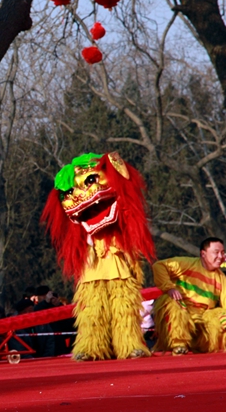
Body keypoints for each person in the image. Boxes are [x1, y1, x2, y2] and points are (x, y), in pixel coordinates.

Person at [41, 152, 155, 361]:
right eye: (71, 192)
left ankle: (129, 345)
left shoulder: (120, 215)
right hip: (91, 267)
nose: (80, 195)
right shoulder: (79, 230)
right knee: (92, 310)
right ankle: (91, 347)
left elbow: (128, 210)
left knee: (124, 308)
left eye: (90, 181)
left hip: (117, 263)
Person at [152, 237, 226, 355]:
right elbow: (159, 266)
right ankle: (178, 344)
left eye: (223, 253)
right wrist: (169, 288)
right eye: (216, 252)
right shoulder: (186, 264)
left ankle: (202, 344)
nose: (220, 256)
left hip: (202, 321)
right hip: (182, 315)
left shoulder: (221, 278)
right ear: (203, 254)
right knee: (170, 302)